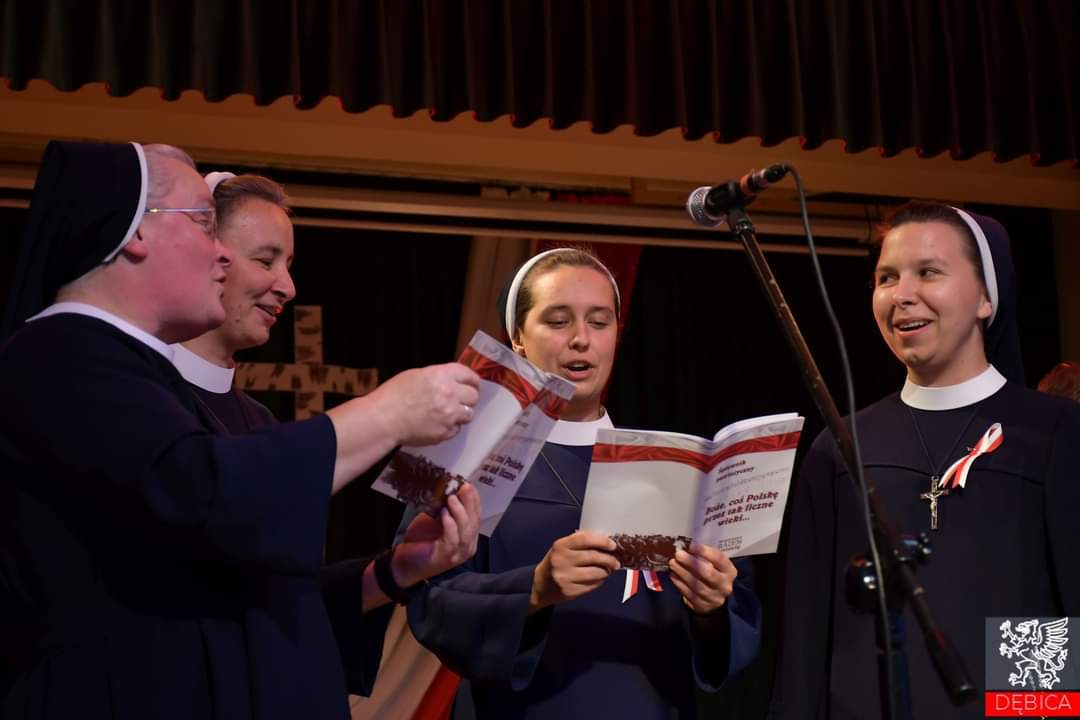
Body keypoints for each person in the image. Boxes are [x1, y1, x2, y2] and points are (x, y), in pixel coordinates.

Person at [0, 141, 482, 720]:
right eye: (205, 225)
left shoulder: (123, 369)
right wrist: (387, 412)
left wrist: (396, 569)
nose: (220, 255)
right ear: (136, 229)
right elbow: (201, 492)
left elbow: (253, 599)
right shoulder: (64, 354)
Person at [166, 171, 483, 716]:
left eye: (288, 265)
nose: (287, 287)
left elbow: (285, 602)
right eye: (266, 261)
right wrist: (389, 412)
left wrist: (400, 569)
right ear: (205, 257)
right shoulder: (147, 402)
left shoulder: (258, 420)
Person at [402, 248, 762, 719]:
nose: (581, 340)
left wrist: (711, 607)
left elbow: (733, 627)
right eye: (558, 321)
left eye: (599, 322)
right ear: (518, 338)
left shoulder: (673, 466)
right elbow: (426, 601)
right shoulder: (463, 456)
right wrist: (534, 588)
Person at [769, 202, 1080, 719]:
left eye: (929, 272)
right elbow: (806, 636)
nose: (902, 294)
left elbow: (1059, 609)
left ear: (986, 297)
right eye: (887, 277)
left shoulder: (1053, 433)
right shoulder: (841, 447)